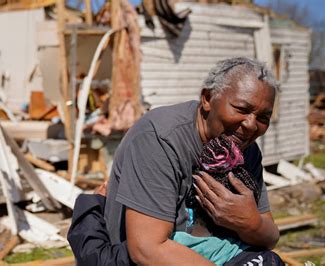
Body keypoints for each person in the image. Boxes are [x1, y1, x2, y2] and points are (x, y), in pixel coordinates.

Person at [68, 57, 284, 265]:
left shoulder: (246, 149)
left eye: (263, 117)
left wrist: (250, 222)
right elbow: (148, 250)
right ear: (207, 99)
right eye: (241, 109)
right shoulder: (160, 137)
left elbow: (270, 236)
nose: (251, 125)